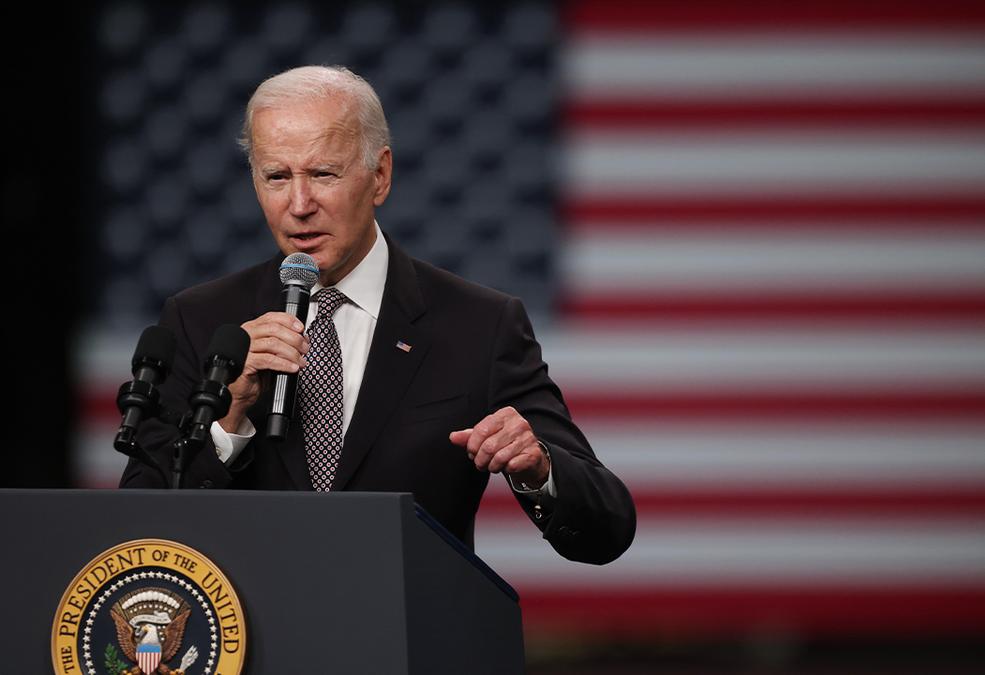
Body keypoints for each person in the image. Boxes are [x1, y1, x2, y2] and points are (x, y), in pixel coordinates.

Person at [119, 65, 635, 565]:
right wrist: (228, 419)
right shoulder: (200, 321)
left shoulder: (479, 325)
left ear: (380, 176)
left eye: (323, 173)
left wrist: (538, 465)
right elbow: (140, 531)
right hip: (243, 643)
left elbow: (605, 530)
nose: (299, 204)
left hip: (408, 640)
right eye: (277, 176)